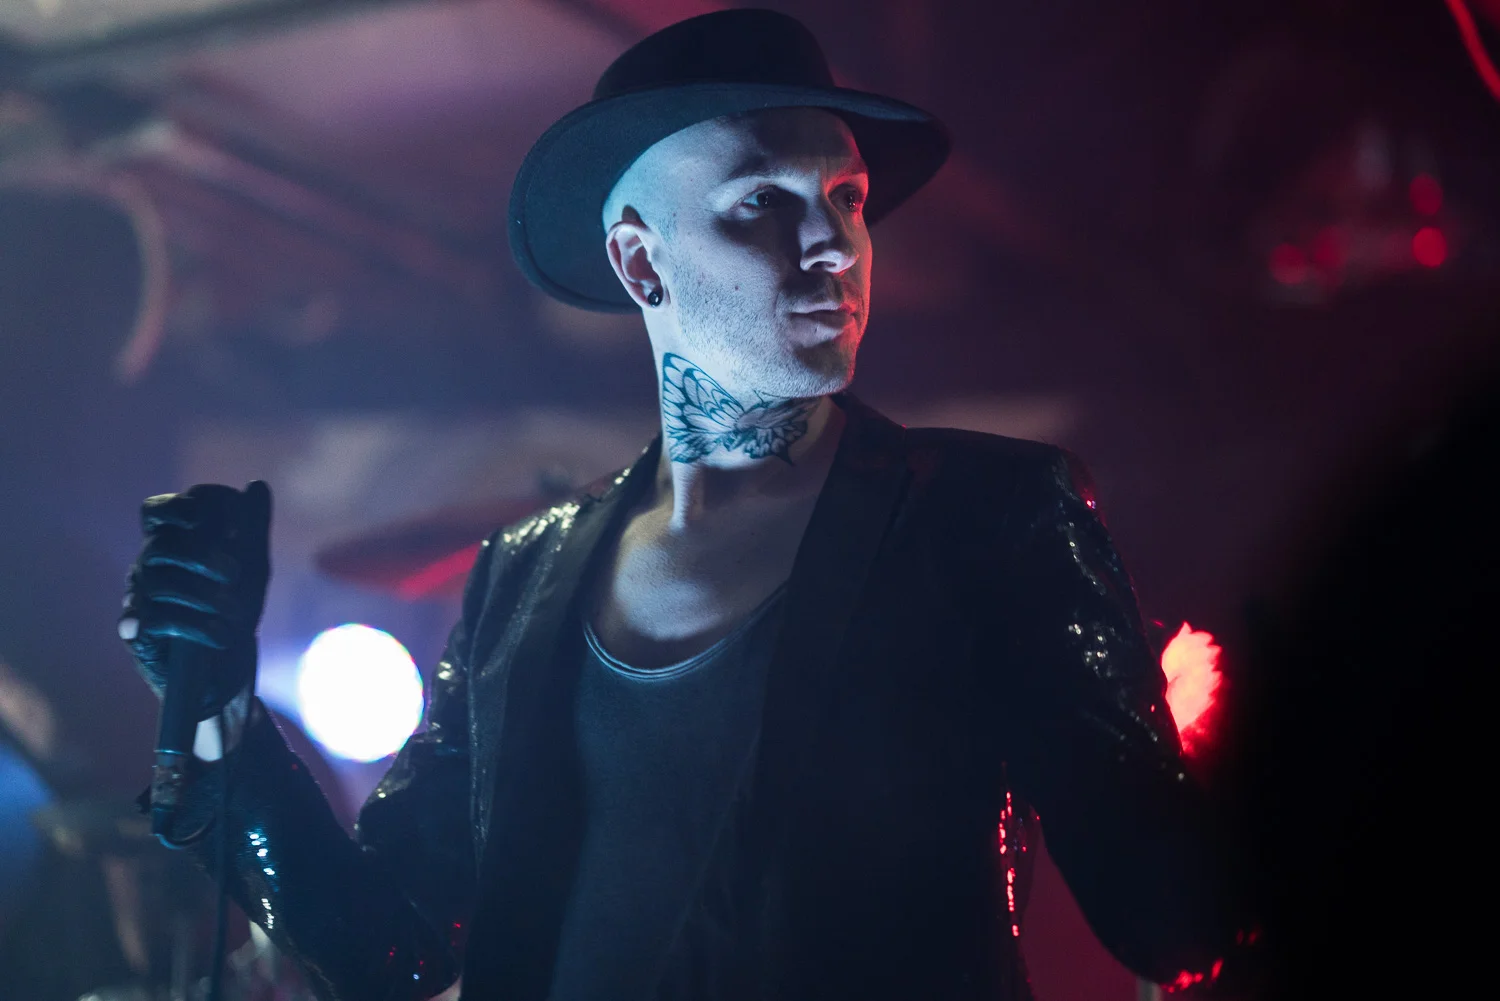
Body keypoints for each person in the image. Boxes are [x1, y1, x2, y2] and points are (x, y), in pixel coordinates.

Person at [118, 11, 1245, 1000]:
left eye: (847, 198)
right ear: (640, 263)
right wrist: (215, 713)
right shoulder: (521, 574)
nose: (833, 244)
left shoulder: (989, 518)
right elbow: (394, 947)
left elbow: (1174, 918)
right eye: (762, 200)